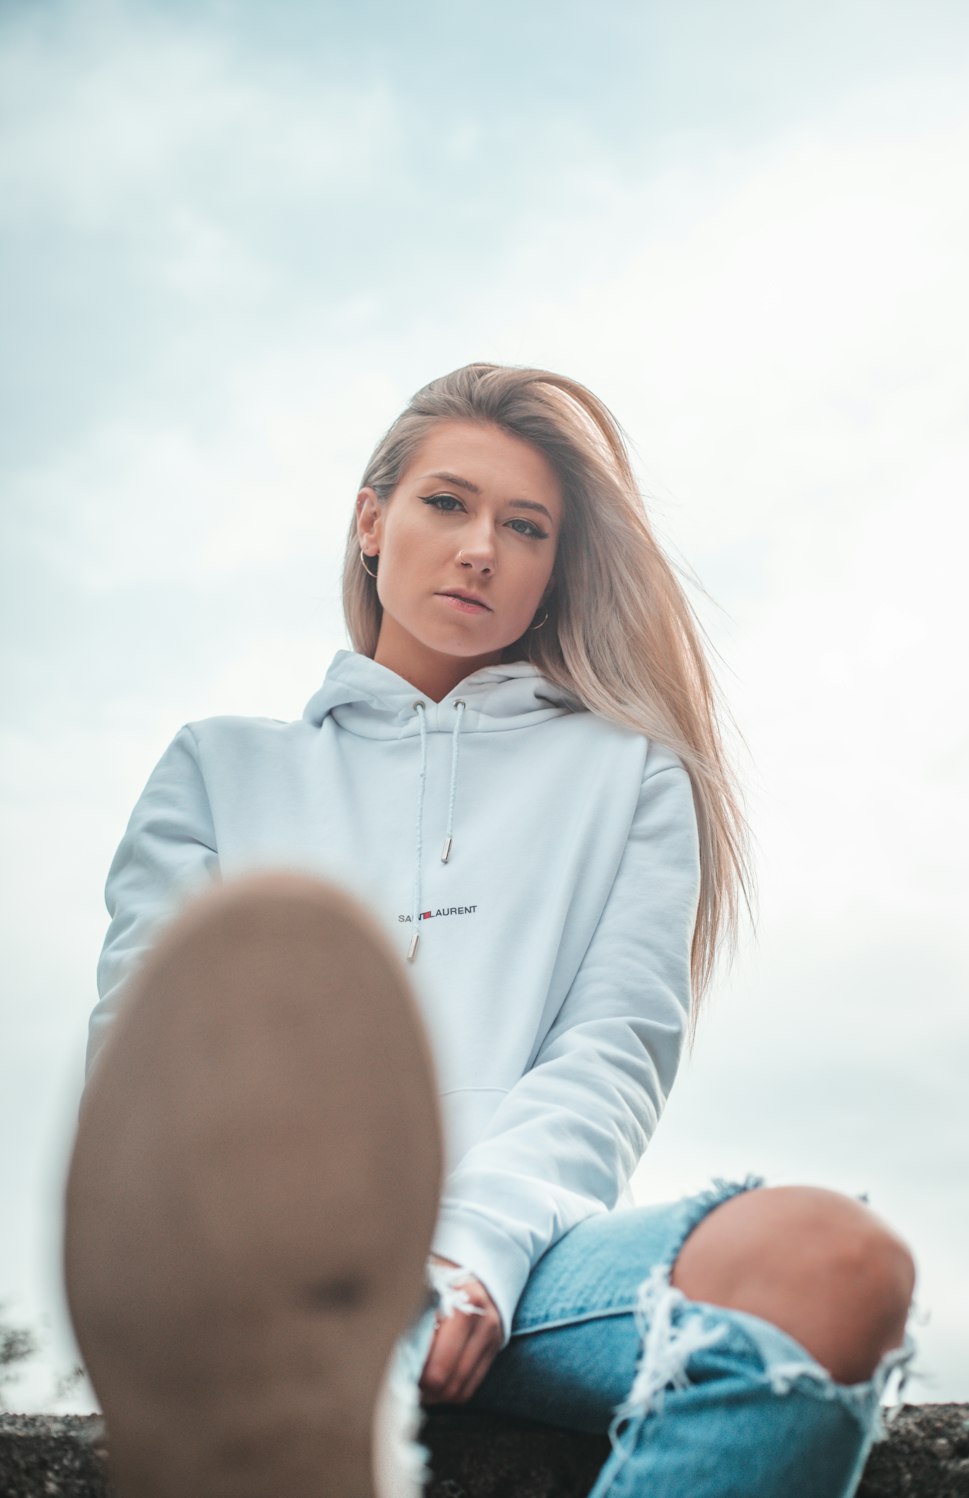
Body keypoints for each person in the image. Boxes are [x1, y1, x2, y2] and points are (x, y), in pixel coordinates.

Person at [64, 363, 917, 1498]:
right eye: (446, 503)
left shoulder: (633, 777)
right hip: (269, 1293)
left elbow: (610, 1055)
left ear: (555, 572)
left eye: (525, 527)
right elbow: (147, 1086)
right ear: (371, 521)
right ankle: (308, 1404)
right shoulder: (218, 771)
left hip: (524, 1273)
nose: (480, 547)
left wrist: (473, 1252)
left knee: (835, 1261)